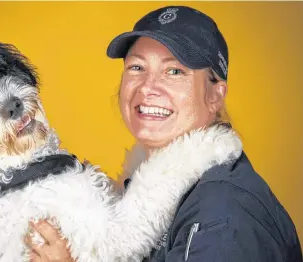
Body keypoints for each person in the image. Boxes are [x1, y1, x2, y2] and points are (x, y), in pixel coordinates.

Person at [24, 5, 302, 261]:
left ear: (215, 95)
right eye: (137, 67)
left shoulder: (223, 215)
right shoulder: (144, 196)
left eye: (174, 71)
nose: (147, 87)